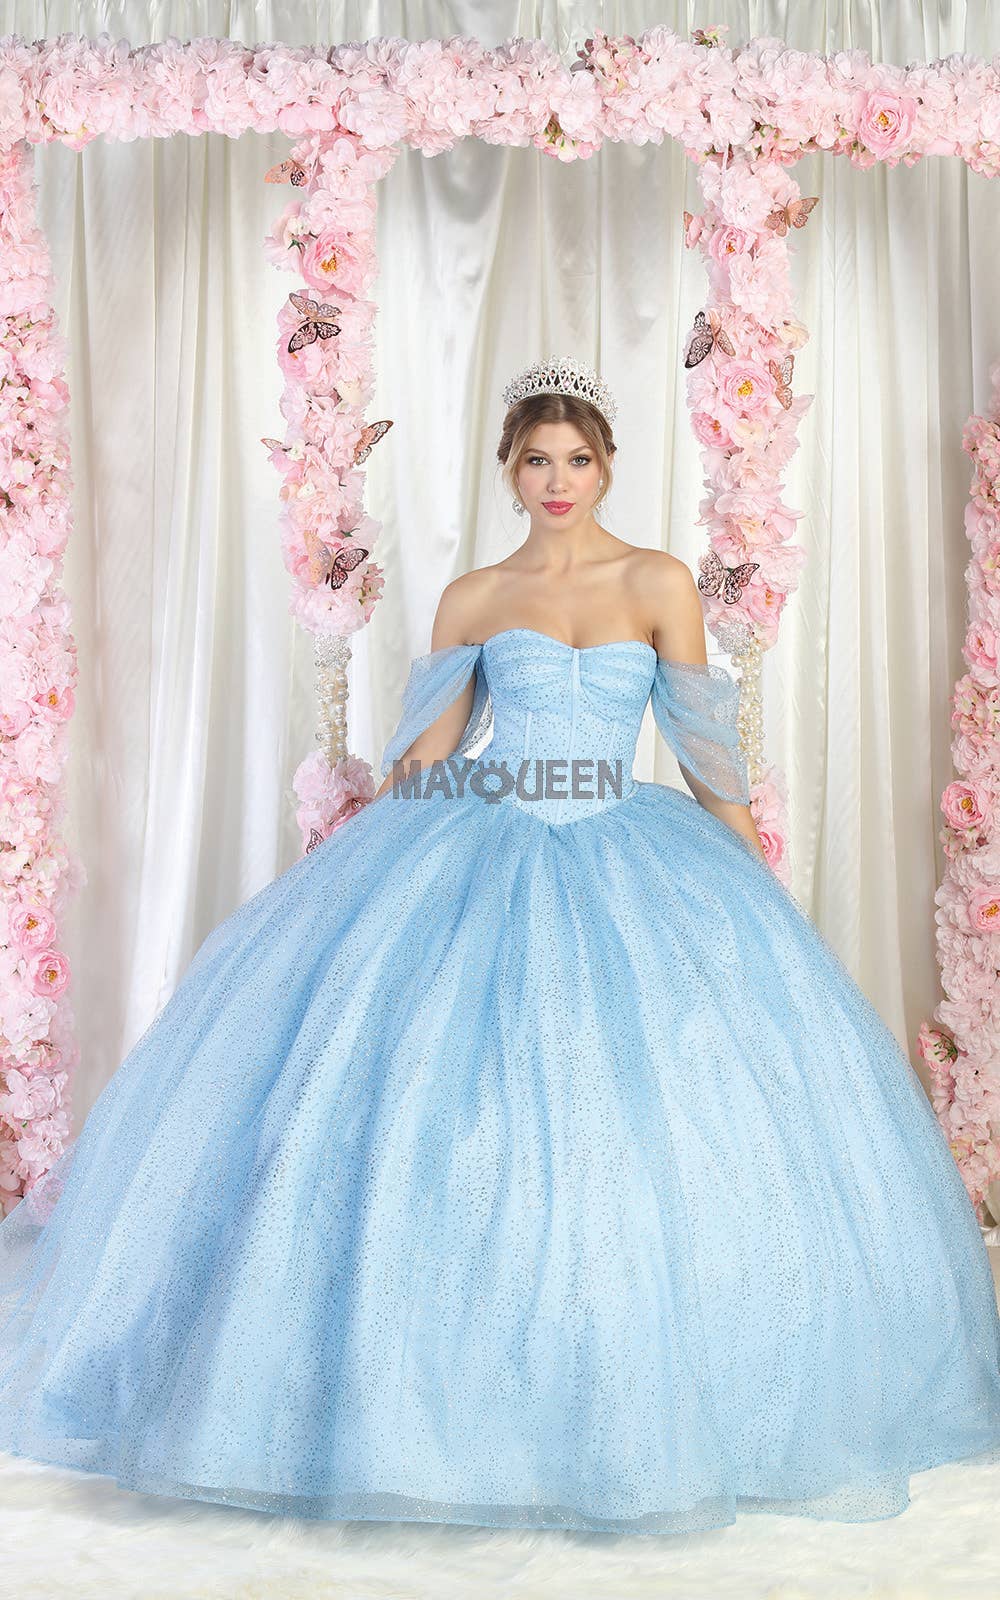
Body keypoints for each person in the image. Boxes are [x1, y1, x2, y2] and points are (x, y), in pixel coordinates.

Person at [0, 355, 998, 1539]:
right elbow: (428, 758)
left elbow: (701, 746)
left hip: (629, 841)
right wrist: (363, 852)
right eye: (535, 459)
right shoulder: (474, 596)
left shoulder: (658, 580)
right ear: (508, 471)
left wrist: (752, 878)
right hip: (484, 832)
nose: (556, 479)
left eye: (576, 458)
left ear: (608, 466)